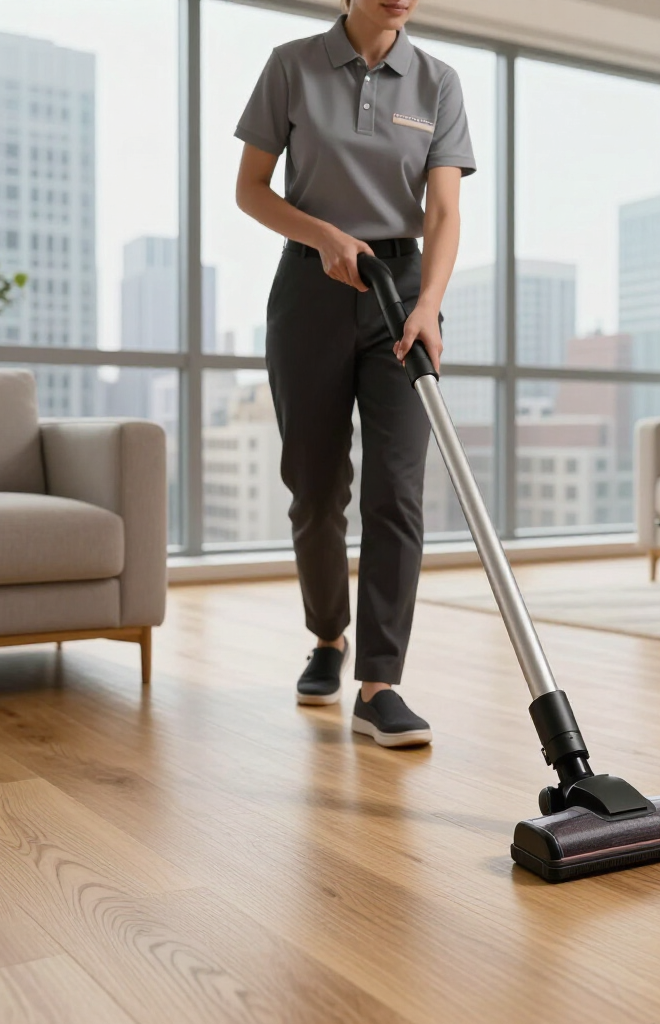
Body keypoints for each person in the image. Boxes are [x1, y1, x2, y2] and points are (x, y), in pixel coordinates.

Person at [234, 0, 475, 747]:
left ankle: (379, 683)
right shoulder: (292, 65)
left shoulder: (437, 81)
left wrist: (429, 305)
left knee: (397, 489)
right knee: (314, 487)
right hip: (310, 289)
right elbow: (251, 190)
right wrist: (324, 234)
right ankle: (328, 637)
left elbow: (441, 212)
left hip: (402, 299)